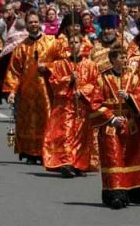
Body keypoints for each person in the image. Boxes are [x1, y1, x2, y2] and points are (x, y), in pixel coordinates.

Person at [90, 48, 140, 208]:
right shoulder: (101, 79)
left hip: (131, 125)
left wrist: (130, 98)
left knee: (132, 157)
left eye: (126, 57)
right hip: (111, 125)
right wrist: (111, 118)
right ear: (113, 59)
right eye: (122, 57)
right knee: (113, 158)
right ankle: (116, 195)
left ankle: (137, 193)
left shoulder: (134, 78)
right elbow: (94, 103)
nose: (125, 60)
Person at [43, 33, 101, 177]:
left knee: (81, 136)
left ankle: (79, 164)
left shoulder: (91, 65)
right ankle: (67, 163)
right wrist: (69, 79)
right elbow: (54, 83)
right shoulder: (59, 64)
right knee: (66, 135)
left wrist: (82, 92)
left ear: (81, 45)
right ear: (68, 45)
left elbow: (96, 84)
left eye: (77, 42)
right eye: (72, 42)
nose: (74, 45)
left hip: (83, 107)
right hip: (65, 107)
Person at [3, 11, 56, 164]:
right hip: (27, 93)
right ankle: (30, 153)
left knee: (46, 121)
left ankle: (45, 152)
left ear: (40, 23)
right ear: (26, 25)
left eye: (35, 22)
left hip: (46, 91)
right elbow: (14, 71)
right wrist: (12, 91)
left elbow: (61, 64)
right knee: (28, 122)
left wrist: (48, 67)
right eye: (30, 22)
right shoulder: (21, 47)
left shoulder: (51, 42)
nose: (33, 24)